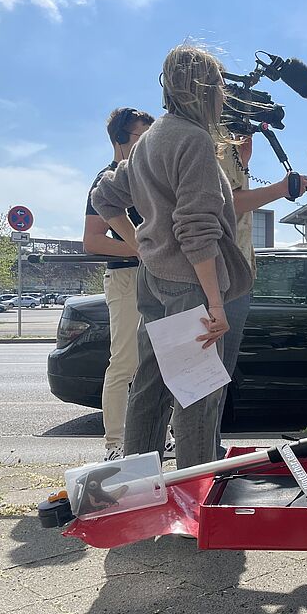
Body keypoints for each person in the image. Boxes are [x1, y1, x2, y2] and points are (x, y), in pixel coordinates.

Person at [90, 44, 253, 470]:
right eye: (220, 85)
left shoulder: (152, 137)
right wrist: (216, 304)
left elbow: (104, 195)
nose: (224, 95)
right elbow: (196, 230)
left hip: (155, 278)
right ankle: (192, 500)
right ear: (203, 89)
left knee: (151, 383)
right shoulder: (194, 140)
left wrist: (140, 242)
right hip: (188, 282)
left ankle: (139, 485)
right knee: (195, 393)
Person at [214, 136, 307, 441]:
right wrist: (281, 189)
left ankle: (204, 455)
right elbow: (226, 203)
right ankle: (198, 462)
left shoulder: (236, 149)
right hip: (218, 280)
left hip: (235, 280)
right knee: (208, 382)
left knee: (217, 380)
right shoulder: (216, 142)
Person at [83, 107, 154, 461]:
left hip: (160, 277)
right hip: (127, 277)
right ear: (120, 139)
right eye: (142, 138)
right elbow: (93, 241)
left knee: (159, 362)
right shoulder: (107, 179)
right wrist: (142, 250)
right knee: (125, 363)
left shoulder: (150, 177)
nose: (149, 146)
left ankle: (158, 435)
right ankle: (115, 445)